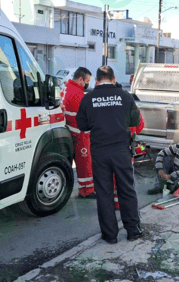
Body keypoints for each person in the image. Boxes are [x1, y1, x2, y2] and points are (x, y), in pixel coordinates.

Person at [77, 66, 143, 244]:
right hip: (121, 151)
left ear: (97, 80)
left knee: (104, 193)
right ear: (114, 79)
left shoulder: (87, 98)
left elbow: (82, 126)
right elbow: (136, 121)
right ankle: (133, 231)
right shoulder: (125, 96)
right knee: (127, 191)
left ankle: (110, 235)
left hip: (99, 152)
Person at [61, 67, 96, 198]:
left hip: (70, 131)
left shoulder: (66, 88)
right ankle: (86, 190)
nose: (87, 84)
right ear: (81, 79)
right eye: (86, 81)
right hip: (80, 133)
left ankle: (85, 188)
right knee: (84, 163)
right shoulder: (78, 94)